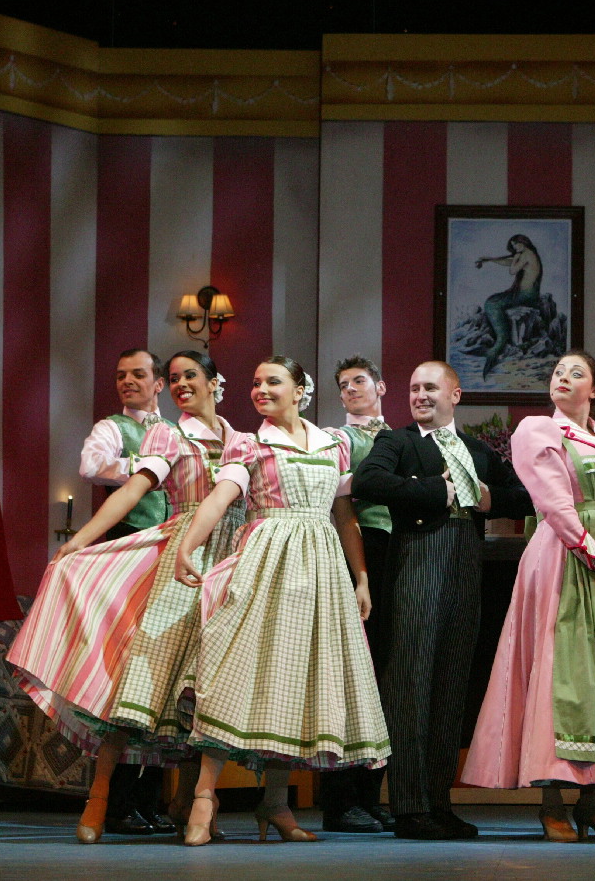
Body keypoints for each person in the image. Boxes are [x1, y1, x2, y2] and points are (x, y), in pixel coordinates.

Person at [8, 349, 245, 843]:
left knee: (207, 686)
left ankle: (192, 804)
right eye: (173, 378)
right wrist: (79, 540)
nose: (180, 384)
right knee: (142, 678)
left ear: (214, 382)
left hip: (231, 562)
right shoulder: (168, 435)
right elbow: (134, 490)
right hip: (183, 555)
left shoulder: (242, 441)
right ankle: (98, 799)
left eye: (190, 376)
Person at [462, 350, 595, 842]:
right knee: (565, 674)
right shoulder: (540, 431)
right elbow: (554, 501)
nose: (562, 378)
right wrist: (592, 549)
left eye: (575, 373)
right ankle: (552, 802)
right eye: (558, 372)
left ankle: (594, 805)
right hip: (566, 558)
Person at [173, 356, 388, 846]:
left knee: (295, 682)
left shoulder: (333, 444)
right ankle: (204, 796)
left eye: (273, 381)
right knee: (235, 675)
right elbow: (220, 497)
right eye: (255, 383)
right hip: (267, 563)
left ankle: (275, 803)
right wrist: (189, 545)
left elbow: (343, 514)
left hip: (321, 572)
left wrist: (361, 578)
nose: (261, 390)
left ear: (300, 390)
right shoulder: (250, 444)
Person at [352, 360, 533, 840]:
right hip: (417, 559)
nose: (420, 395)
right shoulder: (398, 441)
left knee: (452, 683)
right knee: (410, 683)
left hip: (466, 563)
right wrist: (436, 490)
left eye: (430, 387)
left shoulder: (476, 449)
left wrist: (491, 499)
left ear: (455, 395)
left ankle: (439, 802)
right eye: (414, 388)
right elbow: (367, 482)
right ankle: (410, 807)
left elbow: (525, 494)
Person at [319, 355, 396, 834]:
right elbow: (339, 501)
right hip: (359, 552)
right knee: (353, 674)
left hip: (397, 552)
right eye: (343, 384)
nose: (350, 389)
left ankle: (370, 795)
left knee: (385, 676)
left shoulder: (398, 436)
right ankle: (340, 800)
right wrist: (359, 574)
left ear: (380, 387)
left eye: (359, 381)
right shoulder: (338, 438)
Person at [474, 234, 544, 377]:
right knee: (493, 300)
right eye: (513, 246)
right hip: (525, 294)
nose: (515, 248)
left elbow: (512, 270)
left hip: (525, 295)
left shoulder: (527, 254)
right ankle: (500, 341)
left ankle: (500, 341)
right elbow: (508, 261)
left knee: (491, 303)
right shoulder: (527, 254)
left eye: (516, 244)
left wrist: (516, 256)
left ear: (523, 242)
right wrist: (489, 259)